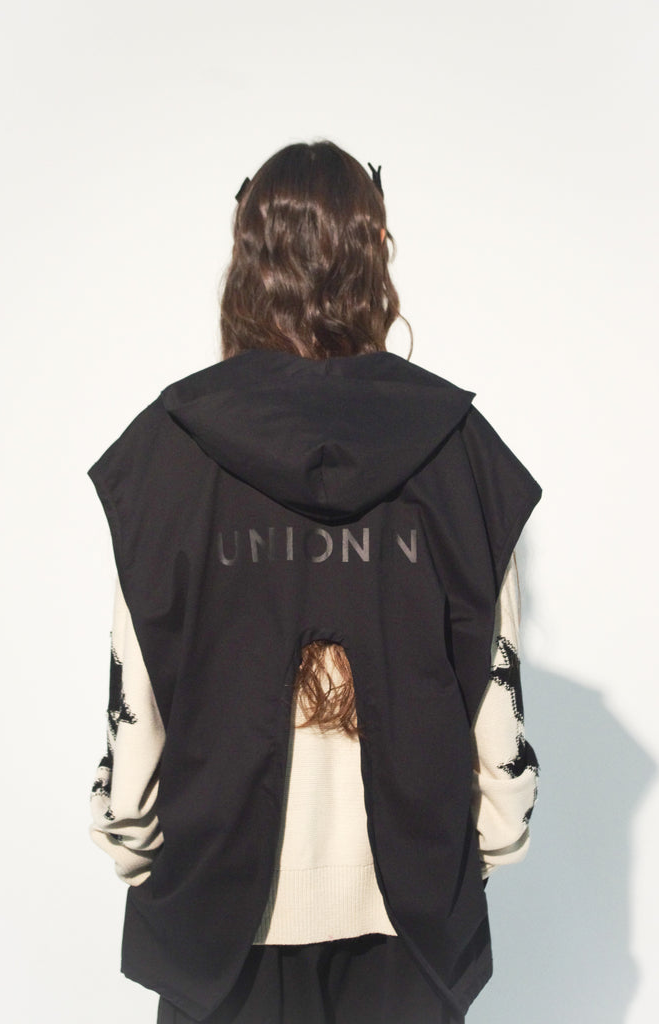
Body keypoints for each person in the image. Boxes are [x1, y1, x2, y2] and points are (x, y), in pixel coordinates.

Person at [88, 139, 542, 1024]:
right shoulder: (454, 448)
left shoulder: (172, 450)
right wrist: (484, 843)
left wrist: (137, 846)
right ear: (373, 257)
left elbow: (136, 688)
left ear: (248, 262)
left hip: (222, 923)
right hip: (408, 923)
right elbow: (499, 697)